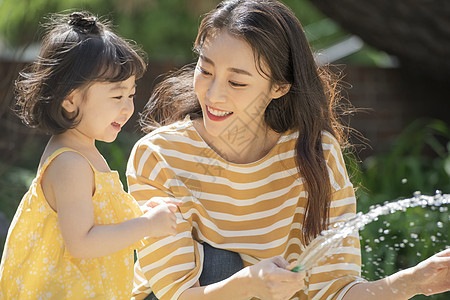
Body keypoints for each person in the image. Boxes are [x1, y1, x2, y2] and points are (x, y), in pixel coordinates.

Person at [126, 0, 450, 299]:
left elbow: (335, 290)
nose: (213, 94)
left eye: (237, 82)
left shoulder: (314, 156)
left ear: (279, 87)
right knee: (220, 263)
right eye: (205, 70)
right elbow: (177, 294)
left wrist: (411, 282)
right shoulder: (160, 156)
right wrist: (247, 283)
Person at [0, 11, 179, 299]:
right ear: (70, 100)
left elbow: (97, 218)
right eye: (117, 96)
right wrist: (146, 225)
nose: (127, 108)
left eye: (131, 95)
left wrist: (139, 214)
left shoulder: (84, 151)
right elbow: (81, 242)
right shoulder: (70, 163)